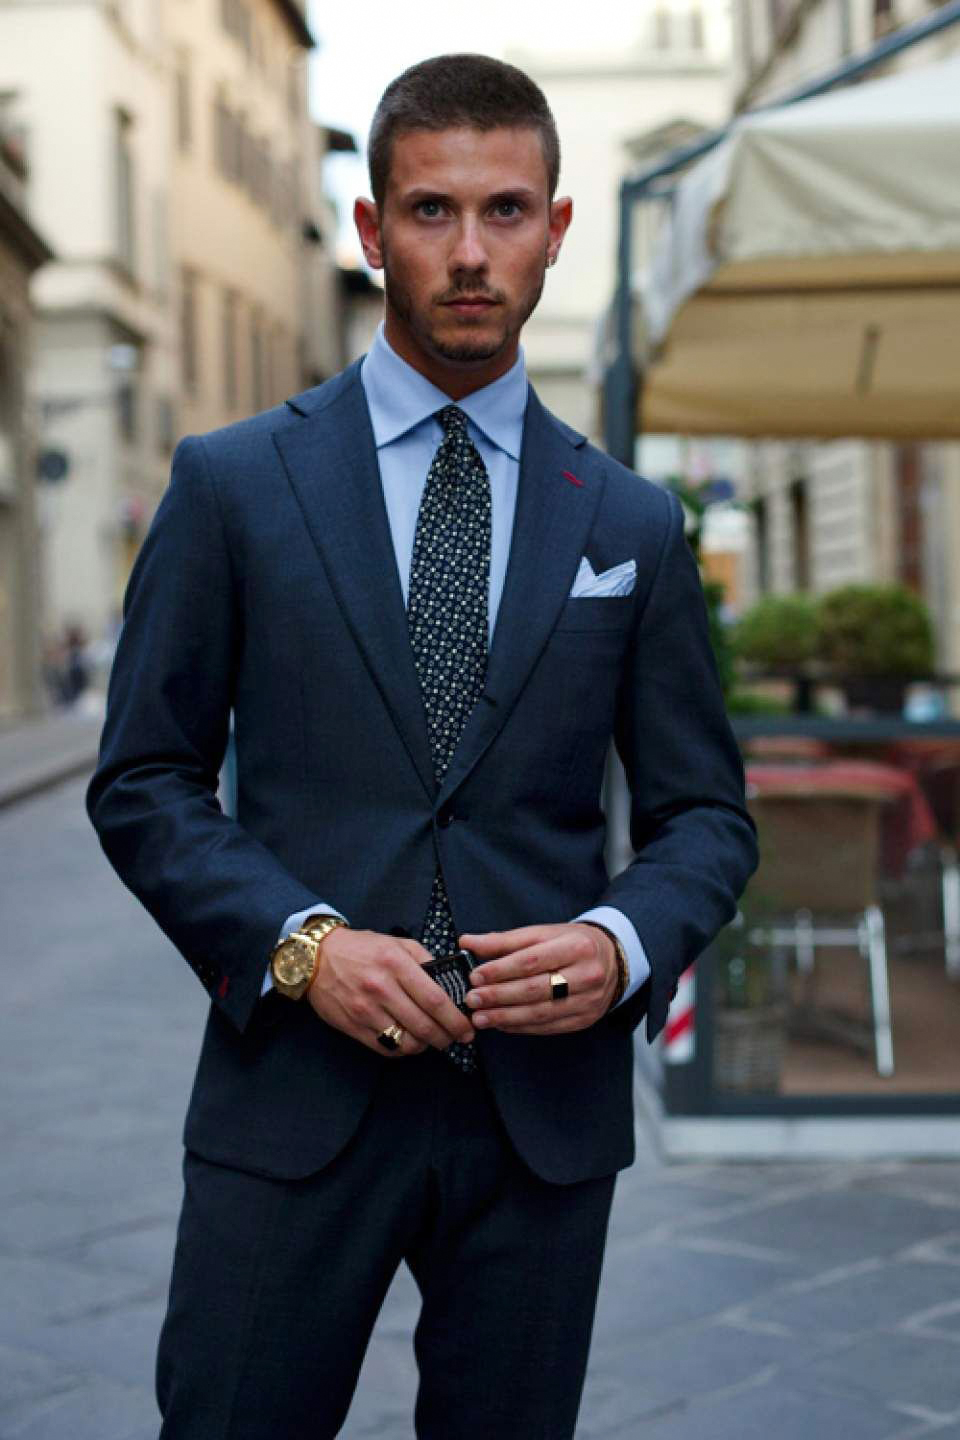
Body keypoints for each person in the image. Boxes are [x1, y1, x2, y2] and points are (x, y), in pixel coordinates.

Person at [86, 52, 757, 1440]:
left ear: (556, 230)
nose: (469, 252)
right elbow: (145, 780)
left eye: (506, 211)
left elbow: (706, 818)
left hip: (541, 1120)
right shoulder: (232, 485)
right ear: (370, 229)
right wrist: (302, 945)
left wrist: (627, 943)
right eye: (431, 212)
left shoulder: (630, 522)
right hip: (296, 1101)